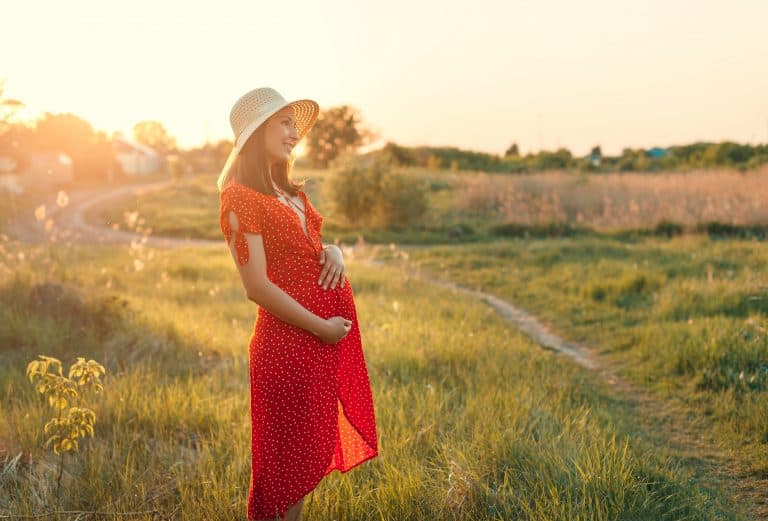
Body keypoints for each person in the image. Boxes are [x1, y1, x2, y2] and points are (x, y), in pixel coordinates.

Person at [217, 87, 379, 521]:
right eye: (284, 123)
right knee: (282, 473)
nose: (294, 134)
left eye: (294, 123)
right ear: (257, 133)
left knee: (302, 465)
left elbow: (308, 248)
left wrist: (337, 252)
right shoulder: (240, 197)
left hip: (315, 347)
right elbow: (257, 286)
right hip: (287, 346)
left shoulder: (286, 190)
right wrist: (322, 328)